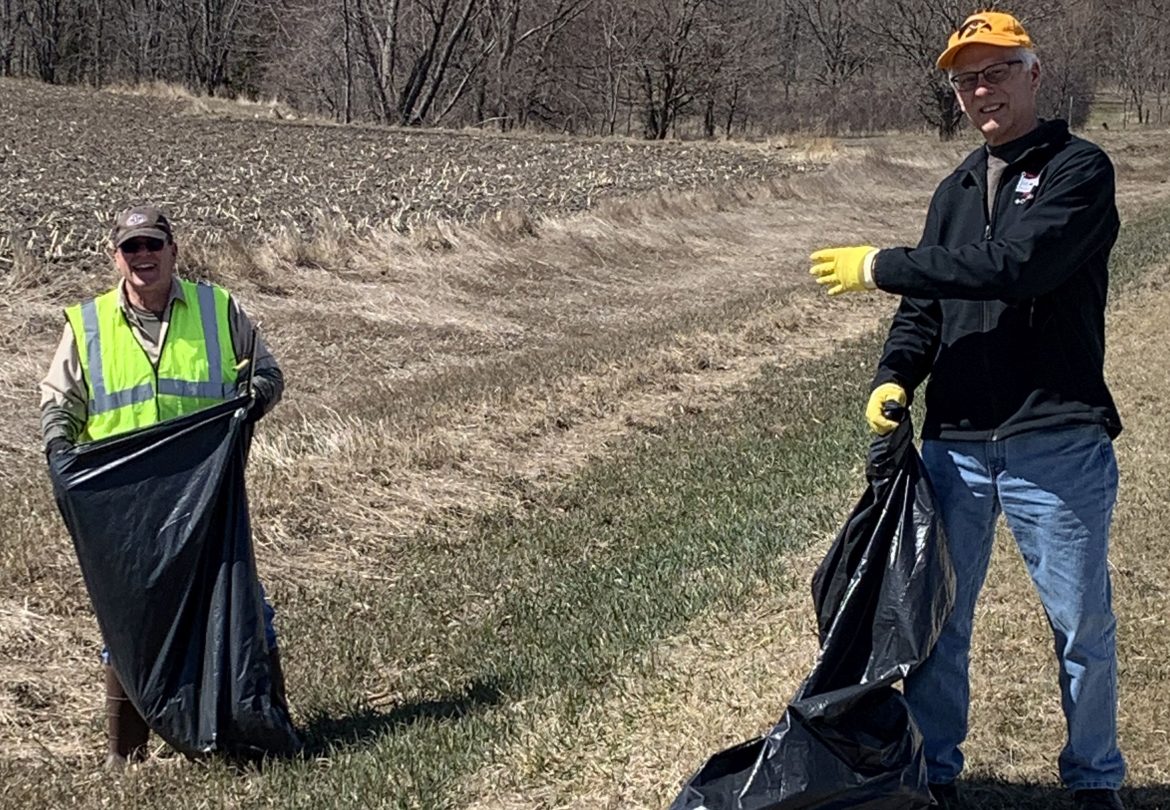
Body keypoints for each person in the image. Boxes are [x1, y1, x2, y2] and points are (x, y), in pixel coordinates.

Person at [808, 11, 1125, 810]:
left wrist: (880, 263)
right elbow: (925, 306)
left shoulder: (1078, 171)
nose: (981, 89)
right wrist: (894, 378)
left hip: (1054, 436)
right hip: (954, 445)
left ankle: (1094, 780)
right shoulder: (953, 188)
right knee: (938, 624)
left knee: (1080, 626)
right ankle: (935, 775)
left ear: (1033, 74)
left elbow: (1017, 267)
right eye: (966, 78)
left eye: (995, 71)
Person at [40, 205, 290, 769]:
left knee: (243, 610)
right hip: (124, 509)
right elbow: (59, 401)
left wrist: (256, 399)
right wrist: (58, 448)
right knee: (128, 627)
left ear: (174, 250)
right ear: (116, 257)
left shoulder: (216, 308)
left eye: (153, 244)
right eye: (131, 248)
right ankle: (125, 757)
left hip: (206, 499)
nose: (143, 256)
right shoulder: (88, 323)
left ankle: (259, 730)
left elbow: (267, 371)